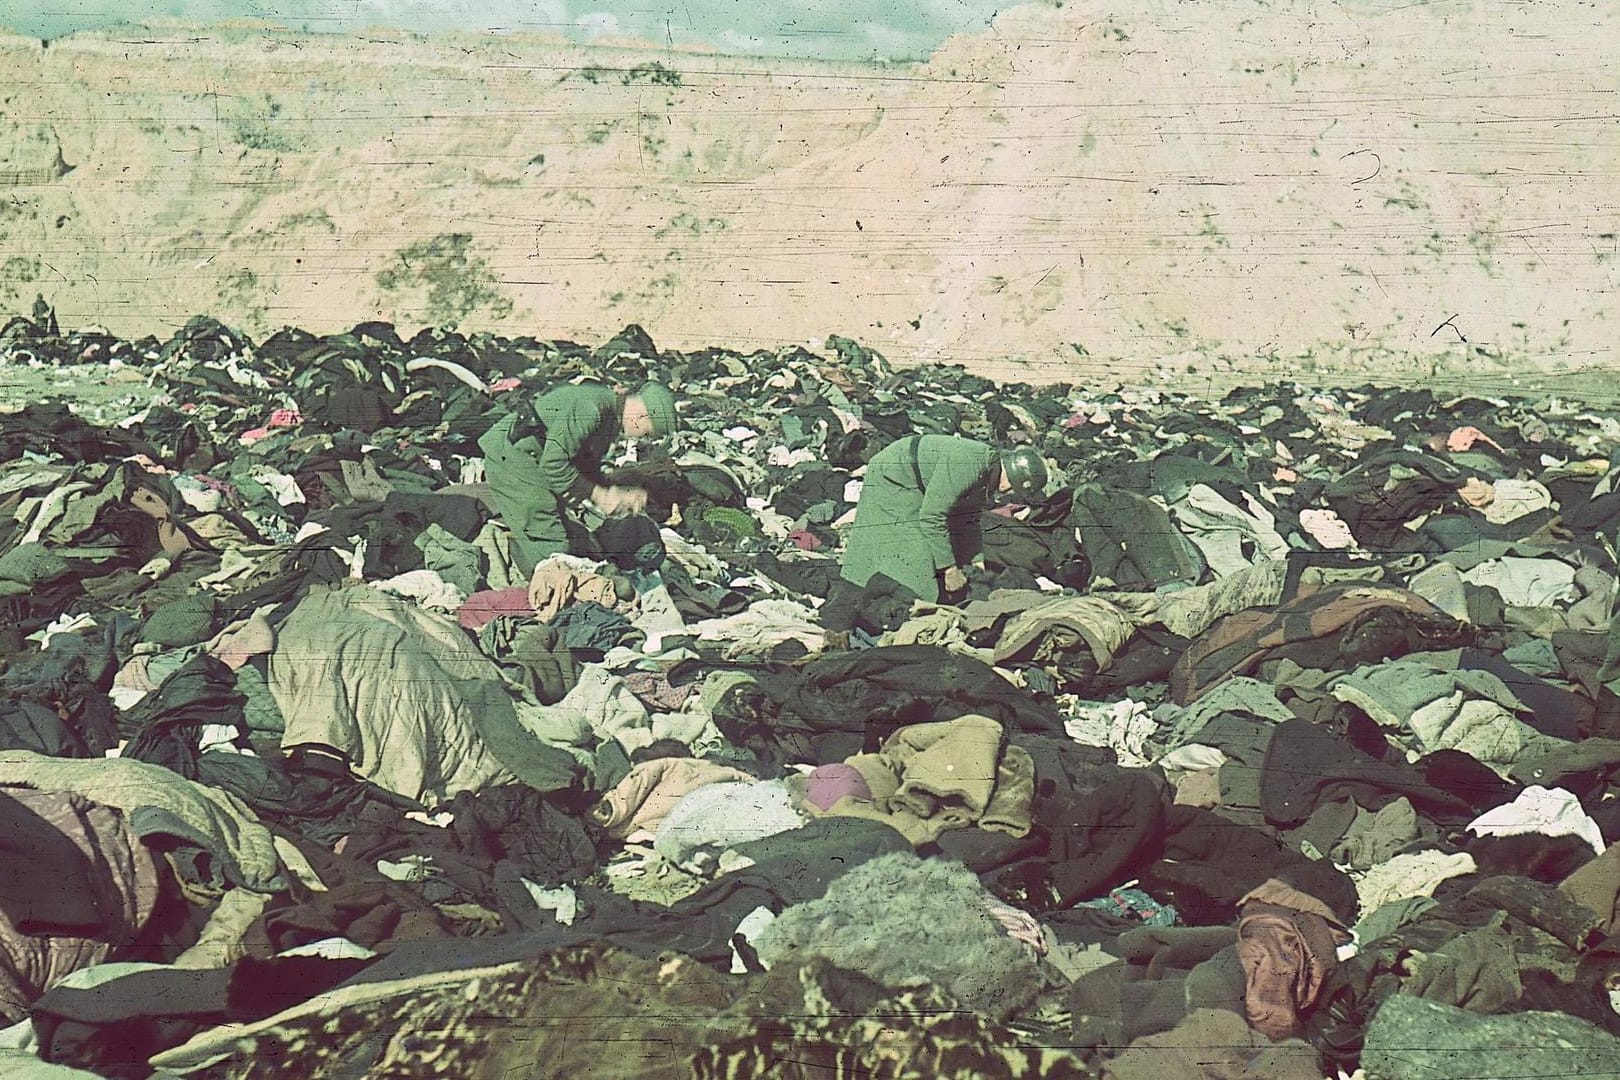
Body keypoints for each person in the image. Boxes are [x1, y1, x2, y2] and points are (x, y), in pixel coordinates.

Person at [478, 380, 678, 574]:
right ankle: (547, 590)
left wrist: (614, 492)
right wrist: (601, 496)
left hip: (534, 459)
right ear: (642, 416)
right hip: (513, 459)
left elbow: (584, 464)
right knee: (552, 544)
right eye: (648, 433)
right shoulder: (592, 408)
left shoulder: (609, 415)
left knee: (579, 543)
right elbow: (554, 464)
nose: (642, 438)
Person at [839, 435, 1048, 603]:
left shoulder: (989, 472)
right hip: (895, 476)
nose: (1009, 493)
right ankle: (866, 596)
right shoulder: (971, 464)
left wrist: (975, 562)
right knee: (914, 559)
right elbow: (932, 517)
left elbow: (968, 519)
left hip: (919, 482)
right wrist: (949, 570)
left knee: (933, 553)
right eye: (1012, 486)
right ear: (1012, 476)